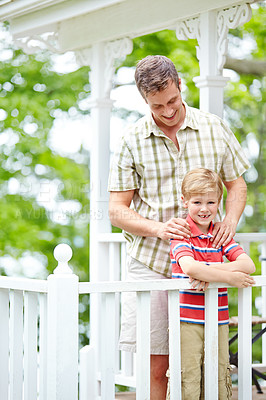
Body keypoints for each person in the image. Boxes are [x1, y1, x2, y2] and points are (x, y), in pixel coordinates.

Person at [108, 55, 251, 399]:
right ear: (145, 100)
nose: (168, 111)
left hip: (207, 266)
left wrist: (230, 221)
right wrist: (159, 229)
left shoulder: (214, 127)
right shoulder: (132, 139)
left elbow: (238, 185)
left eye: (172, 100)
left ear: (180, 85)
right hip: (153, 264)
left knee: (208, 361)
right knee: (157, 366)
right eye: (157, 106)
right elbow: (116, 210)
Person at [166, 168, 255, 399]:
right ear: (184, 201)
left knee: (218, 375)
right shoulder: (181, 233)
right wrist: (228, 277)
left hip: (218, 319)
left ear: (219, 202)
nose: (204, 209)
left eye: (211, 202)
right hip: (187, 320)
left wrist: (206, 272)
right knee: (188, 378)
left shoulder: (220, 234)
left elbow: (248, 266)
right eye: (197, 201)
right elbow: (189, 268)